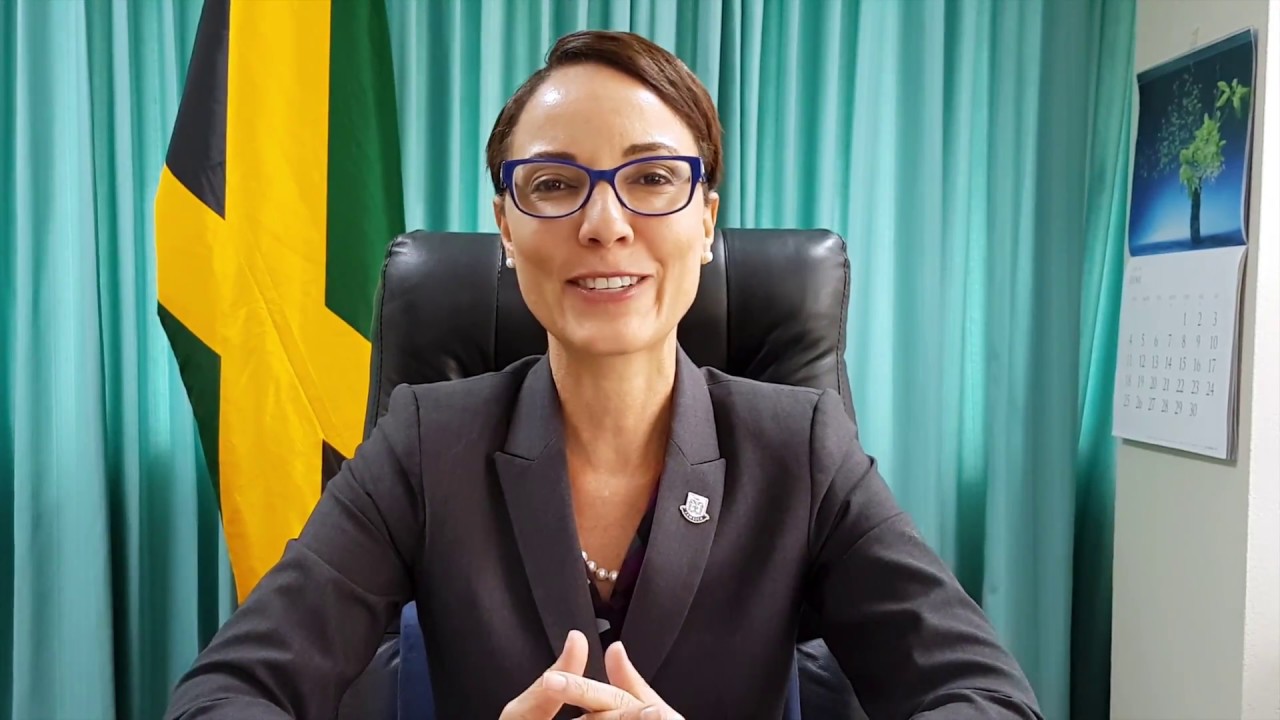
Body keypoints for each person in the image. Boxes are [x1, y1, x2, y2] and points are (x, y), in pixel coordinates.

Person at [164, 30, 1043, 720]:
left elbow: (986, 699)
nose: (605, 223)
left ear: (706, 222)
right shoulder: (426, 441)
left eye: (652, 177)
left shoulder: (801, 446)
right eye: (553, 185)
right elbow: (226, 694)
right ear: (507, 230)